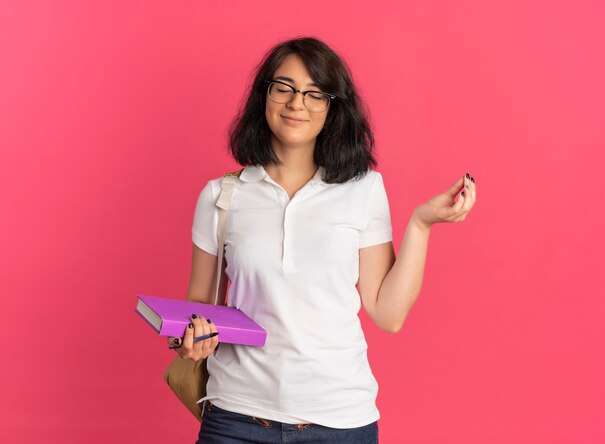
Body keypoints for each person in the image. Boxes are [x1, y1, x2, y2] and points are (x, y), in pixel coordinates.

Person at [166, 36, 476, 444]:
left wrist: (420, 224)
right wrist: (187, 342)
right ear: (265, 94)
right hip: (235, 418)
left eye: (315, 94)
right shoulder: (221, 196)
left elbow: (388, 313)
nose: (297, 104)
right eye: (285, 88)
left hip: (340, 422)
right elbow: (197, 311)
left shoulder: (363, 188)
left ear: (333, 108)